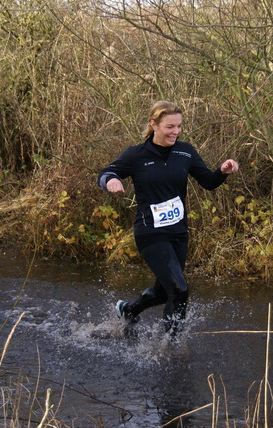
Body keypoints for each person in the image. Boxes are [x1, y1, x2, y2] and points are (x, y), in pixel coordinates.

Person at [97, 100, 239, 336]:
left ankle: (129, 311)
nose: (176, 132)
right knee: (180, 290)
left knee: (165, 291)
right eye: (170, 127)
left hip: (178, 232)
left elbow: (208, 182)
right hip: (150, 232)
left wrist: (222, 172)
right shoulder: (136, 155)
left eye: (179, 126)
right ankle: (170, 346)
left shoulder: (186, 152)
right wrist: (111, 181)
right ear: (154, 124)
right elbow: (106, 173)